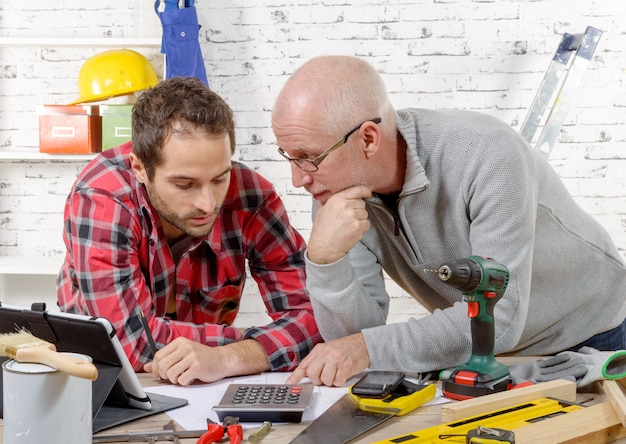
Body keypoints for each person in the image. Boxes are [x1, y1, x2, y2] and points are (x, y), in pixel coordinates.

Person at [270, 55, 626, 387]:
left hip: (591, 335)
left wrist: (365, 347)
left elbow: (499, 318)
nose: (298, 179)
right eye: (289, 156)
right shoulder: (337, 196)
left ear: (368, 138)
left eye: (308, 157)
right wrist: (324, 261)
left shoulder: (487, 152)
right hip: (489, 352)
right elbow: (353, 341)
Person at [57, 76, 321, 385]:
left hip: (208, 378)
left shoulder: (253, 197)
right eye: (185, 184)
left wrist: (228, 357)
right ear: (140, 167)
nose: (208, 204)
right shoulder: (102, 197)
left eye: (220, 178)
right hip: (102, 376)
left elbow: (315, 319)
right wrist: (254, 346)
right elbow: (131, 346)